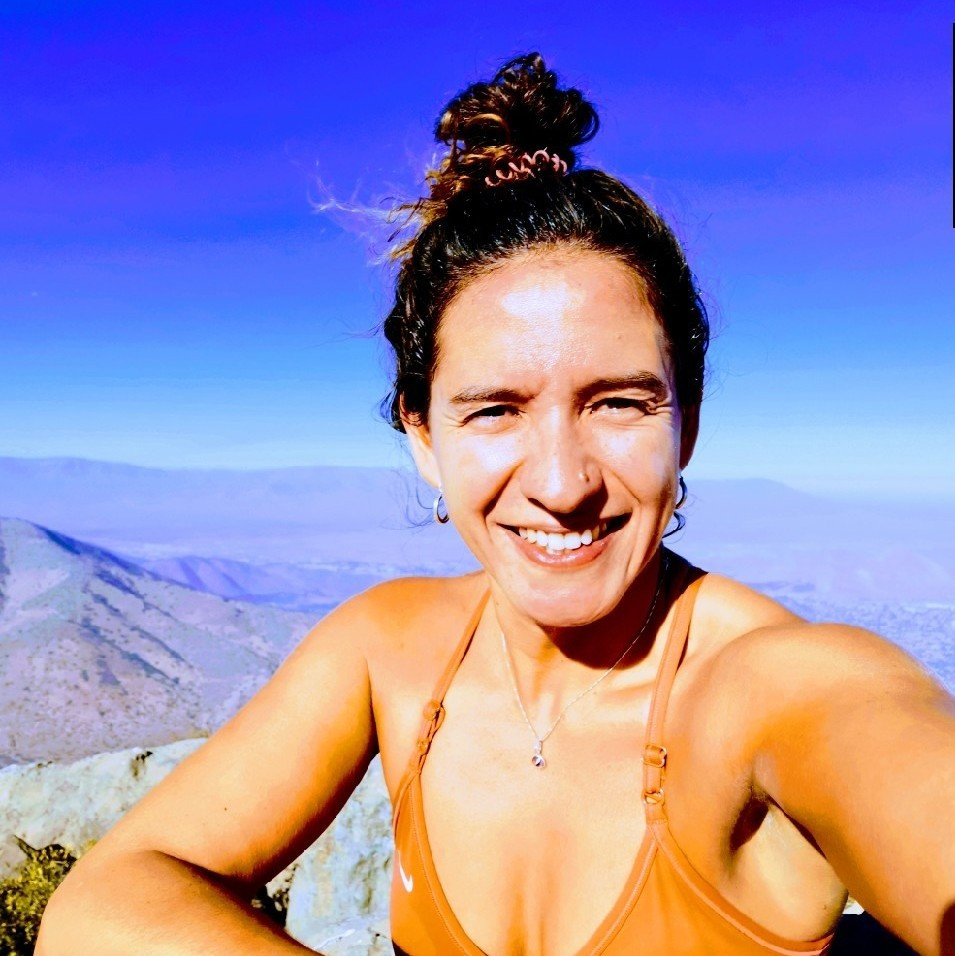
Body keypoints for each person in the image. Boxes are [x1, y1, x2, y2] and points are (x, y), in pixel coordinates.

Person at [38, 53, 955, 956]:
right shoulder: (388, 651)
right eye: (494, 411)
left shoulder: (774, 685)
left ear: (688, 421)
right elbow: (104, 905)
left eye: (617, 403)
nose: (560, 483)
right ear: (422, 436)